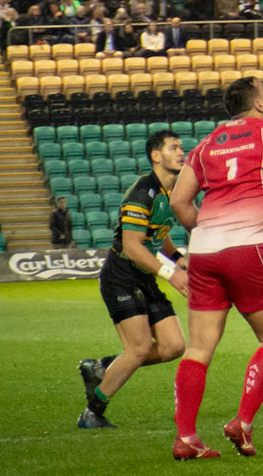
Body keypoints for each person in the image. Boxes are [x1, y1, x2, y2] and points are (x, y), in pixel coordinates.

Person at [168, 77, 263, 459]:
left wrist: (205, 232)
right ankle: (243, 423)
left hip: (203, 251)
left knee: (199, 348)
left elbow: (178, 202)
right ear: (256, 103)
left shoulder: (204, 146)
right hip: (250, 248)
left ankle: (186, 437)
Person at [77, 130, 190, 428]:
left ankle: (102, 367)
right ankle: (93, 411)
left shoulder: (170, 191)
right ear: (155, 155)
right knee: (139, 348)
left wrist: (177, 256)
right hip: (122, 275)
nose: (181, 152)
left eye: (181, 147)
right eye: (174, 147)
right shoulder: (144, 191)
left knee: (173, 347)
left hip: (143, 276)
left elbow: (157, 233)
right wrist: (171, 273)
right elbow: (131, 245)